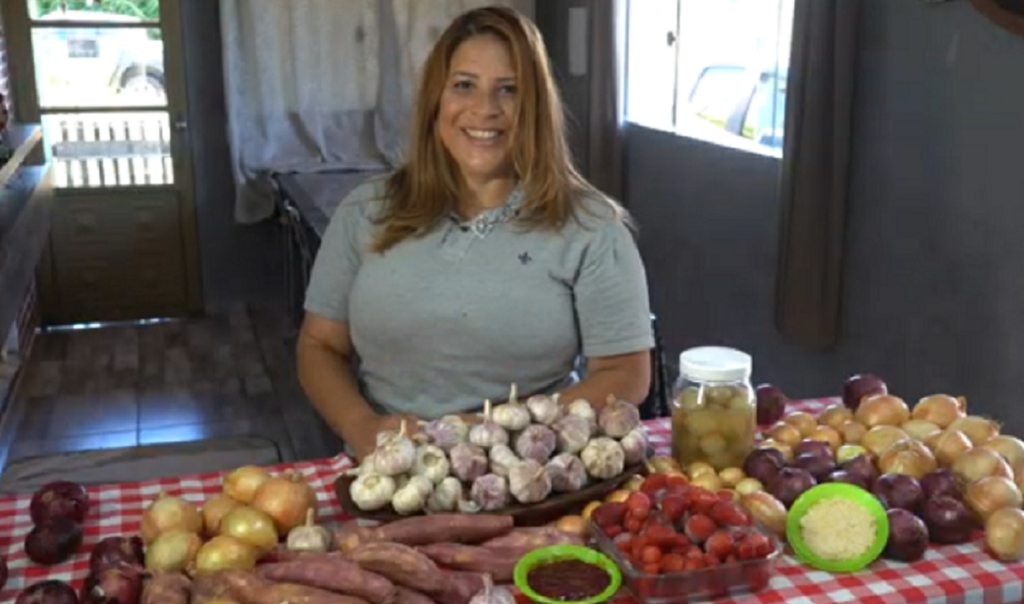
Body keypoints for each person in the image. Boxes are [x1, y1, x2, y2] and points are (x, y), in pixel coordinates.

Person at [297, 6, 654, 460]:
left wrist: (498, 431)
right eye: (464, 85)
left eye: (509, 90)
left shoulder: (592, 227)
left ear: (536, 108)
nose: (485, 109)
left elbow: (626, 373)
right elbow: (318, 345)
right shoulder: (365, 211)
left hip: (533, 472)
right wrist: (361, 425)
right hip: (387, 467)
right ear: (435, 101)